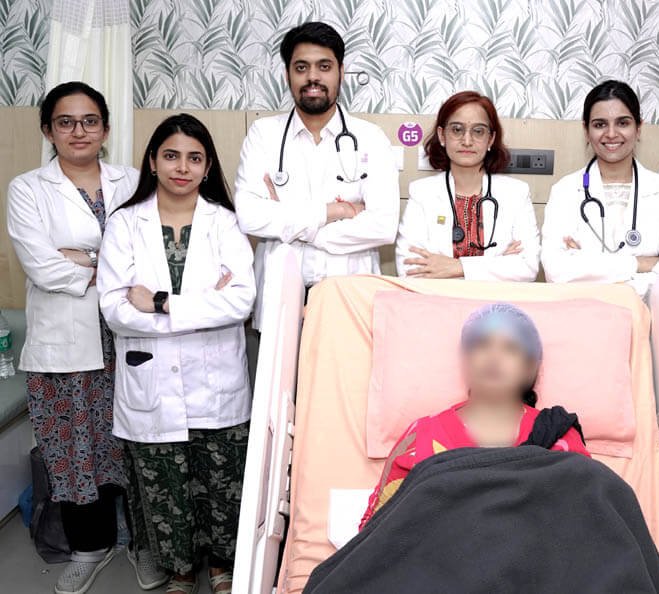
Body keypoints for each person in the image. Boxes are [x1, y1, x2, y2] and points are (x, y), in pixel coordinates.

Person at [6, 81, 166, 594]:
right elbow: (43, 267)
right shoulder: (28, 189)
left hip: (128, 338)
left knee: (138, 448)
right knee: (74, 451)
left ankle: (145, 545)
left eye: (90, 121)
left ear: (106, 129)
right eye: (66, 122)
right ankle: (89, 547)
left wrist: (83, 257)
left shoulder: (134, 181)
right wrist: (110, 265)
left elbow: (152, 256)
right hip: (65, 346)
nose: (79, 131)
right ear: (48, 130)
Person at [98, 114, 256, 594]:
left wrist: (161, 303)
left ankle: (223, 567)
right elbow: (115, 309)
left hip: (217, 385)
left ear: (207, 167)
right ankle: (181, 571)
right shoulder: (125, 223)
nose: (182, 167)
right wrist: (202, 307)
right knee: (165, 487)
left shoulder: (225, 222)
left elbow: (240, 302)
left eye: (194, 158)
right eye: (171, 155)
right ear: (152, 161)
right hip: (153, 386)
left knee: (222, 484)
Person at [360, 303, 589, 528]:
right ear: (466, 359)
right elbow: (375, 526)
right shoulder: (421, 435)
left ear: (530, 368)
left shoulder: (559, 438)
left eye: (511, 348)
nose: (494, 356)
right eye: (482, 344)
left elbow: (589, 519)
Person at [234, 21, 398, 324]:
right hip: (280, 297)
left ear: (341, 72)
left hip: (348, 296)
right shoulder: (263, 134)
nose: (312, 77)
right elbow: (250, 216)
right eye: (301, 67)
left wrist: (296, 228)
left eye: (324, 66)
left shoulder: (370, 138)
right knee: (281, 358)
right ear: (287, 75)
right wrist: (336, 211)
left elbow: (383, 226)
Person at [541, 80, 659, 298]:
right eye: (600, 124)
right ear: (586, 131)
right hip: (580, 314)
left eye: (622, 123)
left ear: (638, 128)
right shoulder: (565, 191)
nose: (611, 134)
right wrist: (640, 263)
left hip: (644, 315)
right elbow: (556, 271)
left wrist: (587, 266)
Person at [395, 91, 539, 280]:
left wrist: (456, 267)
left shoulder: (516, 193)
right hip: (438, 298)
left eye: (478, 131)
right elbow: (410, 270)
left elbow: (527, 268)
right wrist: (498, 265)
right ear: (442, 135)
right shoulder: (422, 192)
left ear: (490, 139)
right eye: (457, 130)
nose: (467, 141)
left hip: (494, 300)